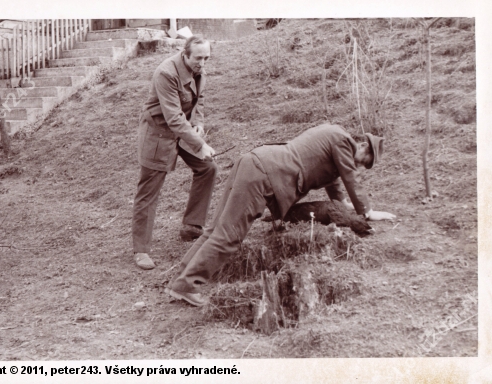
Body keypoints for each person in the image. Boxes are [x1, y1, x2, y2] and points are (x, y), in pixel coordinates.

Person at [166, 124, 396, 306]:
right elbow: (351, 179)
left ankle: (181, 278)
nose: (362, 167)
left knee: (216, 229)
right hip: (263, 174)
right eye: (366, 162)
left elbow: (338, 191)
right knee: (229, 235)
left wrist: (349, 212)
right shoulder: (342, 140)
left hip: (255, 163)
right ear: (364, 146)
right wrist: (368, 212)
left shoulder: (335, 148)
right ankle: (187, 285)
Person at [131, 36, 217, 270]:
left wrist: (198, 122)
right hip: (158, 134)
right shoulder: (166, 73)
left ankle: (192, 226)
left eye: (206, 57)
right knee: (148, 191)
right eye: (198, 58)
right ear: (185, 54)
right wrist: (199, 143)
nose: (203, 62)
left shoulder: (199, 70)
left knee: (207, 168)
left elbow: (199, 102)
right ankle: (141, 250)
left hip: (183, 130)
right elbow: (172, 117)